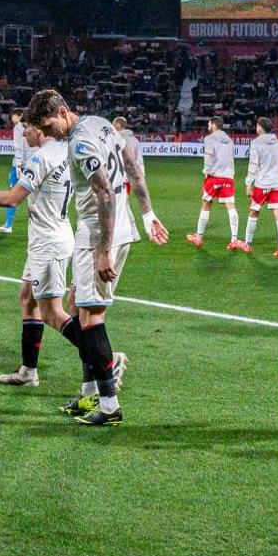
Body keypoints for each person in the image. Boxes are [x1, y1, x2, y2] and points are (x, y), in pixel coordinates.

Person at [24, 88, 169, 426]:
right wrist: (147, 213)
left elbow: (104, 191)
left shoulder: (78, 143)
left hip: (98, 234)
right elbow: (131, 159)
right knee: (75, 305)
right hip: (117, 229)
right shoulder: (101, 123)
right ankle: (89, 393)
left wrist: (103, 251)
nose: (48, 134)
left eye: (48, 126)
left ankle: (108, 406)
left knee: (90, 321)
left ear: (62, 112)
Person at [0, 121, 127, 388]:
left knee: (52, 313)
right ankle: (28, 371)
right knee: (27, 299)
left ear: (40, 129)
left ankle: (108, 360)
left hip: (47, 242)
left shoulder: (42, 156)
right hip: (55, 234)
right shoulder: (66, 151)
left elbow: (12, 199)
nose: (23, 133)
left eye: (26, 128)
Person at [235, 117, 278, 257]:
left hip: (262, 184)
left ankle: (247, 244)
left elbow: (253, 165)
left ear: (260, 128)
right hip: (276, 184)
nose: (256, 128)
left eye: (257, 126)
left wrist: (248, 183)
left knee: (253, 212)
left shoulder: (256, 143)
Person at [186, 116, 240, 249]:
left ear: (214, 125)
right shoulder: (229, 140)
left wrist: (206, 172)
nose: (208, 126)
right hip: (228, 176)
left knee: (206, 204)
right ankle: (234, 239)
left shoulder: (209, 138)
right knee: (231, 206)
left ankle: (198, 238)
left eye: (209, 124)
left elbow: (209, 157)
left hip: (214, 176)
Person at [0, 110, 28, 234]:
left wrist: (19, 166)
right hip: (34, 165)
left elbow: (18, 148)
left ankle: (8, 225)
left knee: (13, 195)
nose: (13, 120)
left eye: (14, 117)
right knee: (35, 197)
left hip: (20, 166)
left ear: (19, 116)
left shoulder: (19, 127)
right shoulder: (35, 125)